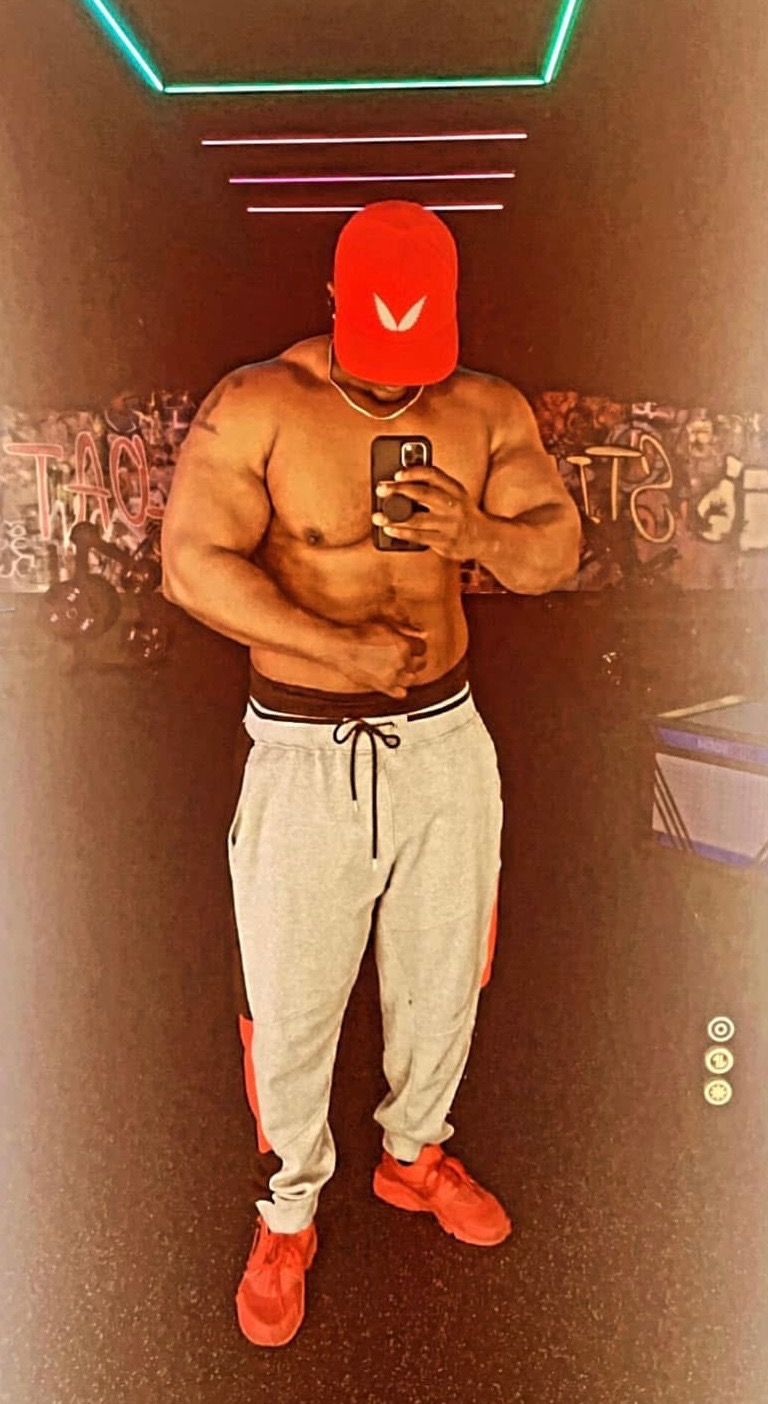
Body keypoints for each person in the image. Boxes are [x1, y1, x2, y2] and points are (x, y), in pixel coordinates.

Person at [160, 200, 581, 1349]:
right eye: (375, 348)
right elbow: (190, 564)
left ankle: (413, 1154)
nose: (396, 381)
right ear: (336, 301)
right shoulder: (260, 405)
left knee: (445, 975)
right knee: (291, 998)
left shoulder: (485, 410)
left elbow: (556, 552)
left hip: (443, 743)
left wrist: (475, 535)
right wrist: (336, 648)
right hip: (304, 746)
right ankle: (288, 1210)